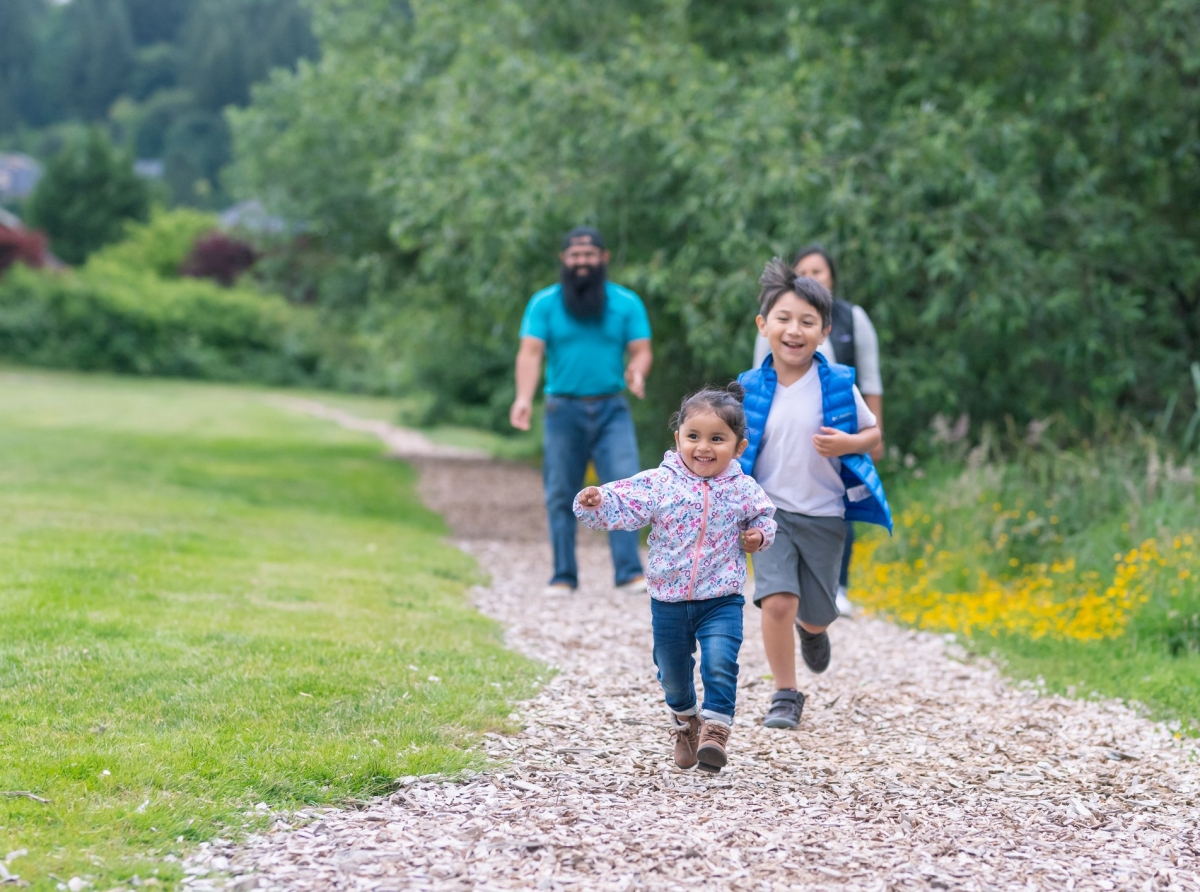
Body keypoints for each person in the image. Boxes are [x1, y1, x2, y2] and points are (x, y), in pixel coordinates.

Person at [574, 384, 776, 772]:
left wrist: (759, 536)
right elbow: (625, 502)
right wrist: (597, 501)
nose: (704, 447)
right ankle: (686, 722)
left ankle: (716, 730)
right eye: (694, 436)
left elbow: (765, 518)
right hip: (669, 598)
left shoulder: (744, 489)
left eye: (718, 439)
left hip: (722, 596)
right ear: (678, 438)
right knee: (672, 673)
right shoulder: (660, 482)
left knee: (720, 661)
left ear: (739, 447)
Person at [738, 259, 892, 730]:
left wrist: (847, 444)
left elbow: (874, 437)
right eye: (783, 319)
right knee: (778, 600)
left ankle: (813, 631)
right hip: (770, 514)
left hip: (826, 513)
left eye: (807, 322)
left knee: (817, 611)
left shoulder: (839, 384)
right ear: (764, 326)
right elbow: (727, 447)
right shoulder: (748, 388)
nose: (794, 330)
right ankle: (785, 693)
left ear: (824, 331)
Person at [510, 227, 653, 596]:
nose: (582, 262)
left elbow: (641, 349)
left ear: (603, 258)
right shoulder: (544, 303)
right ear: (564, 260)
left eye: (589, 255)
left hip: (612, 410)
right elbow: (530, 353)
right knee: (560, 491)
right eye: (574, 256)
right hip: (562, 410)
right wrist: (524, 398)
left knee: (623, 486)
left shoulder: (626, 302)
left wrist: (638, 371)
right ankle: (563, 574)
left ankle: (629, 572)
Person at [753, 246, 884, 617]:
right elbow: (756, 379)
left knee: (841, 498)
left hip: (839, 426)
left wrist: (869, 433)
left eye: (819, 270)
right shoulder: (778, 318)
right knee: (778, 597)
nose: (811, 276)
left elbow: (871, 377)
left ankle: (834, 589)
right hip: (778, 468)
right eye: (804, 270)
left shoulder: (851, 318)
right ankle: (783, 594)